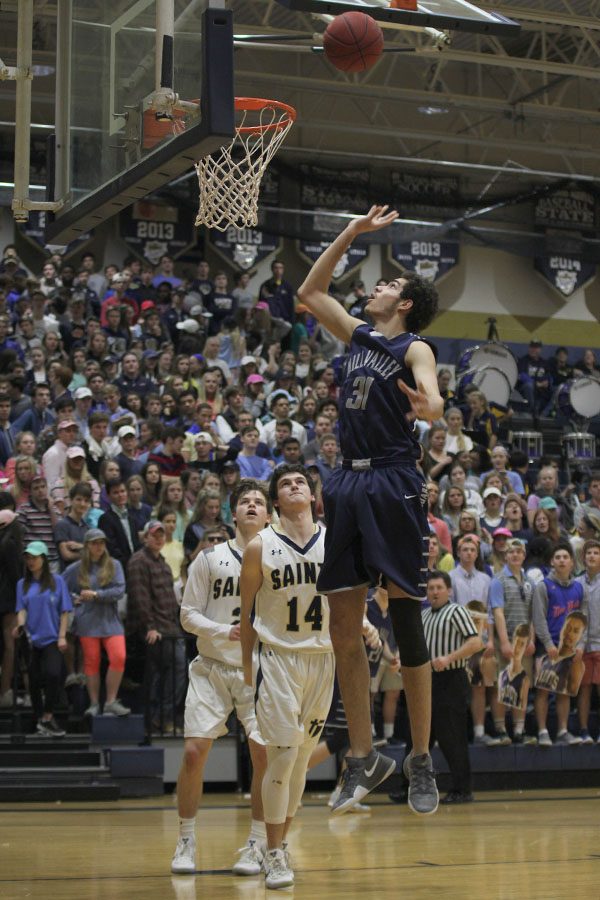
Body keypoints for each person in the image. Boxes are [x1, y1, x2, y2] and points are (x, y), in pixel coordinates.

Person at [297, 205, 442, 816]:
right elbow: (309, 292)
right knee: (342, 629)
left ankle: (421, 758)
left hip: (393, 481)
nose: (377, 286)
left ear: (404, 303)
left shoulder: (416, 346)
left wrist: (428, 405)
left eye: (388, 284)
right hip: (347, 486)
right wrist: (351, 233)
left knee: (406, 624)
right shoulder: (357, 336)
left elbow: (432, 398)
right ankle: (363, 756)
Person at [240, 465, 333, 889]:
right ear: (275, 501)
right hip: (278, 659)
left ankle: (281, 845)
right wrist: (246, 665)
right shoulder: (261, 546)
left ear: (313, 495)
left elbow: (353, 599)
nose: (294, 486)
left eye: (301, 482)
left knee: (299, 767)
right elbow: (246, 614)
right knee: (281, 756)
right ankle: (273, 851)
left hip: (323, 659)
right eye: (285, 484)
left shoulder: (335, 541)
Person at [172, 479, 271, 876]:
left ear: (269, 513)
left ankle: (259, 842)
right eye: (244, 501)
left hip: (260, 668)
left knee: (263, 756)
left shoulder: (277, 559)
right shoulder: (210, 559)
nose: (251, 506)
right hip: (212, 667)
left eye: (258, 502)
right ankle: (186, 839)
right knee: (195, 752)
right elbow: (186, 615)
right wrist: (222, 630)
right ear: (233, 513)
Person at [423, 571, 482, 803]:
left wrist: (448, 658)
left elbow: (476, 642)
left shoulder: (457, 611)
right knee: (419, 737)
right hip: (427, 681)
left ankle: (462, 789)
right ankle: (411, 786)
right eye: (430, 588)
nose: (434, 592)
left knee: (452, 737)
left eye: (438, 587)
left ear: (449, 591)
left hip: (452, 679)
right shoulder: (424, 615)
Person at [126, 520, 186, 731]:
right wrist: (150, 627)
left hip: (170, 628)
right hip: (155, 631)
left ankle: (162, 716)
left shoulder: (162, 562)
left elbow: (170, 598)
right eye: (154, 535)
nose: (159, 538)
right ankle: (160, 716)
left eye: (161, 535)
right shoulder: (138, 561)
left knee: (169, 673)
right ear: (145, 537)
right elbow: (139, 597)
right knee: (168, 673)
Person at [64, 529, 129, 717]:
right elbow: (59, 586)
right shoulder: (76, 568)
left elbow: (119, 591)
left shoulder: (114, 565)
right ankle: (93, 703)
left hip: (110, 621)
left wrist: (96, 595)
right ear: (86, 546)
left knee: (119, 657)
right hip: (87, 622)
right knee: (91, 662)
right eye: (94, 543)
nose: (98, 546)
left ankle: (110, 701)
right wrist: (72, 598)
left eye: (101, 542)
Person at [14, 541, 72, 736]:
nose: (31, 562)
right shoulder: (22, 584)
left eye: (35, 558)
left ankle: (48, 716)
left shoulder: (58, 581)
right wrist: (20, 625)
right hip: (31, 639)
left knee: (54, 674)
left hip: (52, 638)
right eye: (28, 558)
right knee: (34, 680)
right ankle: (41, 719)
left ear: (44, 559)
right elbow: (21, 609)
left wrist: (62, 636)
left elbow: (65, 610)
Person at [532, 543, 586, 746]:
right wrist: (547, 644)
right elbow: (538, 619)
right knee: (544, 690)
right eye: (558, 557)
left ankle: (563, 731)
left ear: (572, 562)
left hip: (569, 648)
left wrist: (580, 643)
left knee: (564, 691)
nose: (562, 560)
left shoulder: (579, 588)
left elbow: (583, 617)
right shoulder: (543, 586)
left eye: (565, 557)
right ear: (552, 562)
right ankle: (543, 731)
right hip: (549, 646)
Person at [489, 538, 536, 743]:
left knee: (521, 685)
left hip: (524, 643)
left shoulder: (530, 582)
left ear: (524, 556)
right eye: (511, 552)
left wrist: (532, 640)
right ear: (505, 556)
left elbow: (532, 614)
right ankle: (500, 730)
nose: (515, 555)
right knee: (502, 685)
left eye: (519, 551)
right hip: (505, 641)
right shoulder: (498, 580)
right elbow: (497, 613)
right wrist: (505, 642)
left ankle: (519, 730)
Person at [576, 539, 600, 743]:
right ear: (583, 558)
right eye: (589, 553)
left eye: (596, 553)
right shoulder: (576, 583)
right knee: (584, 688)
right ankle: (583, 730)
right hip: (581, 645)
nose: (592, 556)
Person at [0, 509, 24, 707]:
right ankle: (5, 691)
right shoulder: (10, 544)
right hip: (8, 600)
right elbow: (17, 576)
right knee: (10, 646)